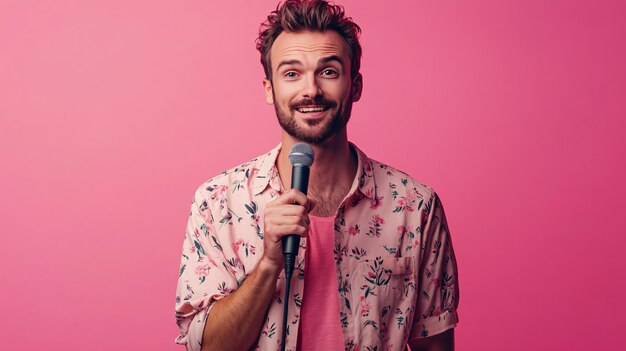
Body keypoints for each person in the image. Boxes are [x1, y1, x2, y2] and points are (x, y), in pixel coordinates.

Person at [174, 1, 459, 350]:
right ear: (269, 89)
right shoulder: (218, 203)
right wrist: (267, 265)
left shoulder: (415, 207)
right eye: (292, 74)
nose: (311, 90)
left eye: (328, 71)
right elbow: (207, 347)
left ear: (354, 86)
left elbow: (435, 344)